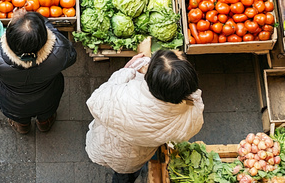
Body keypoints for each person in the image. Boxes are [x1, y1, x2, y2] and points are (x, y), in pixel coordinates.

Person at [85, 50, 204, 183]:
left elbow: (94, 101)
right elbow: (196, 114)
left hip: (108, 145)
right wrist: (192, 94)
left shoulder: (121, 96)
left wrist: (126, 70)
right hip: (135, 157)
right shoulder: (190, 114)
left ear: (149, 78)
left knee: (121, 175)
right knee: (127, 173)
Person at [0, 0, 77, 134]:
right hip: (47, 96)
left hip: (12, 102)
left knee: (18, 115)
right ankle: (44, 123)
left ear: (8, 37)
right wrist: (37, 19)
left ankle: (22, 126)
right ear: (45, 37)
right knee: (47, 111)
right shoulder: (60, 52)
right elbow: (70, 54)